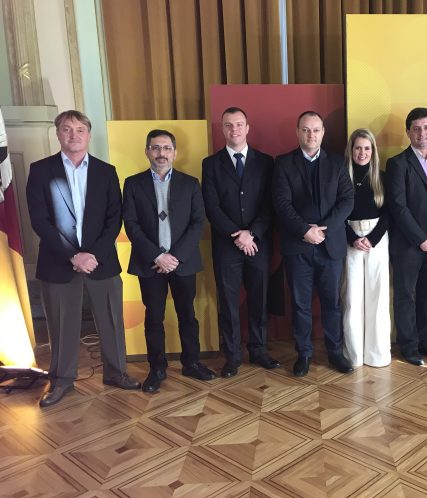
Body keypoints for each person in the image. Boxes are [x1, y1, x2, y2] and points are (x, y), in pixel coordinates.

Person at [26, 110, 140, 407]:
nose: (73, 135)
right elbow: (39, 220)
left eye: (80, 129)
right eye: (67, 129)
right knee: (61, 325)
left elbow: (114, 218)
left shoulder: (106, 171)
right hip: (58, 262)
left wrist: (93, 254)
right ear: (58, 134)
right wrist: (73, 256)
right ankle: (61, 381)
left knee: (111, 320)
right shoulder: (40, 170)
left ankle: (116, 373)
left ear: (88, 135)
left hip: (101, 261)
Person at [122, 129, 215, 393]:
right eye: (155, 148)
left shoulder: (190, 183)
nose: (161, 153)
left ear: (175, 153)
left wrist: (175, 257)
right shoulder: (133, 184)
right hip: (149, 263)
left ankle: (191, 363)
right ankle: (157, 369)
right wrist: (157, 255)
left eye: (166, 148)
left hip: (182, 262)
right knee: (154, 317)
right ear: (147, 152)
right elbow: (131, 224)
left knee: (188, 315)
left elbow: (198, 222)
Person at [272, 111, 354, 376]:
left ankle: (335, 352)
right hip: (298, 246)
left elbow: (347, 200)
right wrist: (305, 231)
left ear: (323, 133)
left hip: (330, 246)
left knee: (333, 303)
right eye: (306, 130)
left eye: (316, 130)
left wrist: (323, 230)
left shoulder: (337, 163)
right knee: (300, 305)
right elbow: (281, 204)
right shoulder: (283, 163)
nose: (311, 135)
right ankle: (304, 353)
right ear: (297, 132)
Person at [202, 107, 278, 378]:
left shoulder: (266, 162)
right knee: (229, 302)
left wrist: (252, 233)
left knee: (259, 299)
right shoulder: (210, 164)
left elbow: (270, 204)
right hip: (227, 245)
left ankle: (258, 349)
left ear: (247, 128)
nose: (234, 129)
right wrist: (237, 234)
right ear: (222, 129)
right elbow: (211, 207)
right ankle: (232, 356)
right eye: (228, 125)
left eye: (238, 124)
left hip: (258, 244)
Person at [386, 108, 427, 366]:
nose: (421, 133)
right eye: (416, 129)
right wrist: (421, 239)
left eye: (426, 128)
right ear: (408, 132)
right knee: (406, 295)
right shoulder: (397, 164)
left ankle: (425, 340)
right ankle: (409, 345)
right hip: (408, 245)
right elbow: (398, 207)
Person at [342, 129, 391, 367]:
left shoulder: (382, 177)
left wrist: (373, 238)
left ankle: (377, 354)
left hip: (377, 239)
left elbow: (389, 212)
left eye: (367, 148)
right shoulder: (342, 177)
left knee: (377, 297)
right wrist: (352, 238)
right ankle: (354, 356)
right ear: (351, 150)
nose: (362, 153)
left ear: (373, 151)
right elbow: (336, 213)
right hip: (350, 239)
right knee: (352, 298)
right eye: (358, 148)